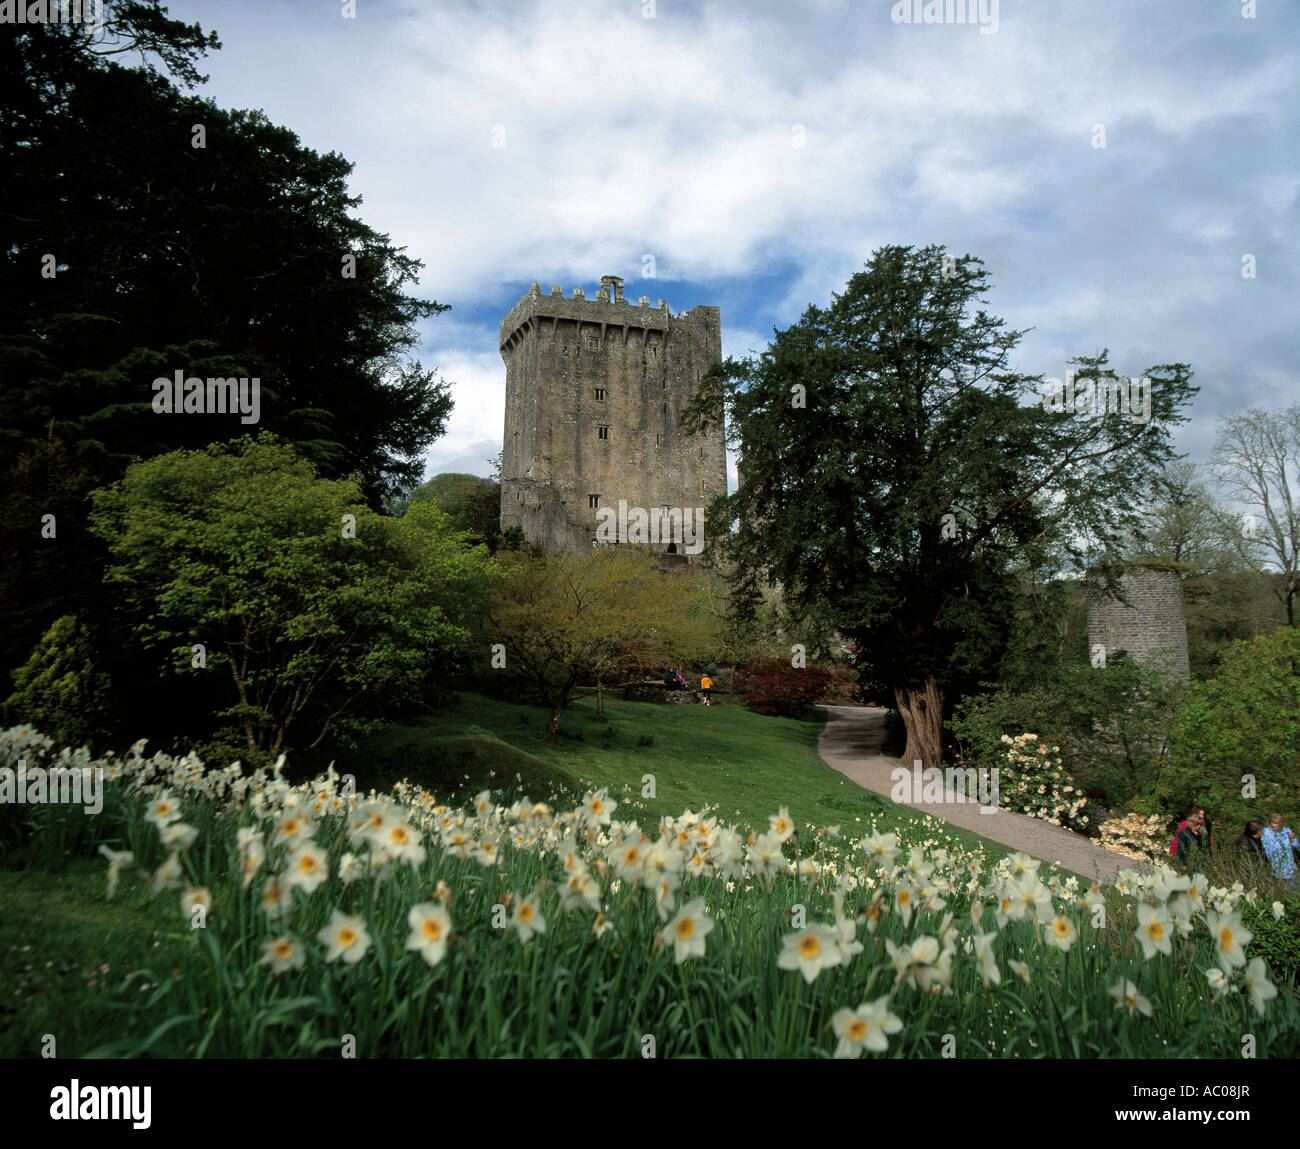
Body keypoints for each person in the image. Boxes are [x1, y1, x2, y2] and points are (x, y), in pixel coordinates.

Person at [1261, 813, 1298, 888]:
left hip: (1288, 864)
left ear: (1280, 823)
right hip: (1275, 864)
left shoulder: (1287, 831)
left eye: (1276, 823)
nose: (1273, 825)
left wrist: (1293, 839)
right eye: (1272, 823)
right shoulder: (1266, 832)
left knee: (1292, 889)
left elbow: (1296, 845)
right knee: (1277, 887)